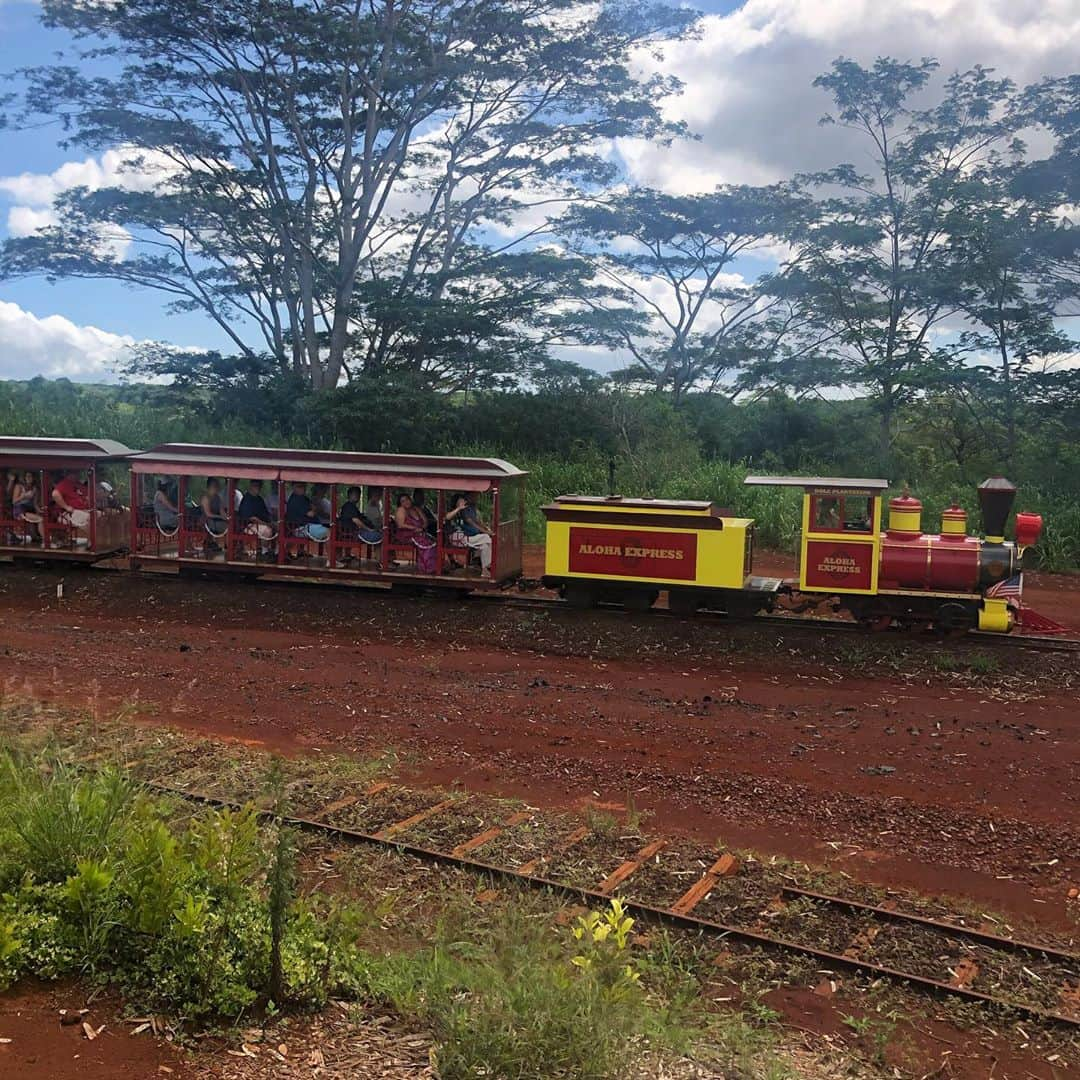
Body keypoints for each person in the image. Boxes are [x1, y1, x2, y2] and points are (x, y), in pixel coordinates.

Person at [445, 492, 493, 578]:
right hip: (457, 538)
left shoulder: (465, 509)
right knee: (486, 538)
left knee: (485, 545)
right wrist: (458, 508)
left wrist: (486, 529)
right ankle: (487, 565)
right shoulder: (453, 512)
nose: (463, 502)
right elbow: (447, 517)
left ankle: (484, 569)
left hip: (464, 537)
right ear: (456, 502)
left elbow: (475, 520)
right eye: (461, 501)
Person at [393, 492, 436, 573]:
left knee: (432, 542)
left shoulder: (416, 508)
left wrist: (422, 528)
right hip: (406, 534)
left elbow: (425, 521)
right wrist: (414, 528)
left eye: (407, 499)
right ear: (400, 503)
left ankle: (433, 567)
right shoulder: (401, 510)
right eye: (403, 501)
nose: (406, 502)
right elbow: (400, 525)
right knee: (426, 544)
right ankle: (426, 568)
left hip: (420, 533)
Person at [238, 479, 274, 557]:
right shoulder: (246, 499)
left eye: (259, 486)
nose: (257, 488)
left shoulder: (259, 499)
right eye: (255, 486)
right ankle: (264, 552)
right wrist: (267, 524)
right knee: (267, 530)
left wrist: (271, 522)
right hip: (247, 525)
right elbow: (252, 518)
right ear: (251, 486)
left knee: (277, 528)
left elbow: (266, 514)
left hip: (260, 524)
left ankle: (275, 551)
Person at [52, 470, 92, 534]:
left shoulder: (78, 483)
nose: (78, 474)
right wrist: (66, 507)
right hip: (70, 512)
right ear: (69, 474)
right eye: (76, 472)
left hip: (84, 510)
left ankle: (98, 538)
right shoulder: (65, 483)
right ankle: (93, 541)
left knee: (101, 514)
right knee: (91, 518)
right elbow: (55, 494)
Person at [11, 470, 43, 542]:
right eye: (27, 476)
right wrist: (24, 496)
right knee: (41, 519)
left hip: (30, 509)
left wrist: (40, 510)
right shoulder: (19, 486)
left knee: (41, 517)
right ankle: (46, 540)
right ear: (24, 478)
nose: (29, 478)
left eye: (31, 476)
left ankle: (36, 538)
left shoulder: (34, 488)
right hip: (20, 510)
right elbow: (14, 501)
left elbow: (35, 504)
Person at [200, 478, 229, 550]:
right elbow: (208, 514)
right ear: (209, 486)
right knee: (225, 526)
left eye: (217, 486)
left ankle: (227, 545)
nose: (217, 488)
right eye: (215, 486)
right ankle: (210, 542)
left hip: (217, 520)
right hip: (207, 521)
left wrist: (226, 517)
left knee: (230, 525)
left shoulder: (218, 498)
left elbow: (221, 510)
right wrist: (219, 517)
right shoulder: (205, 498)